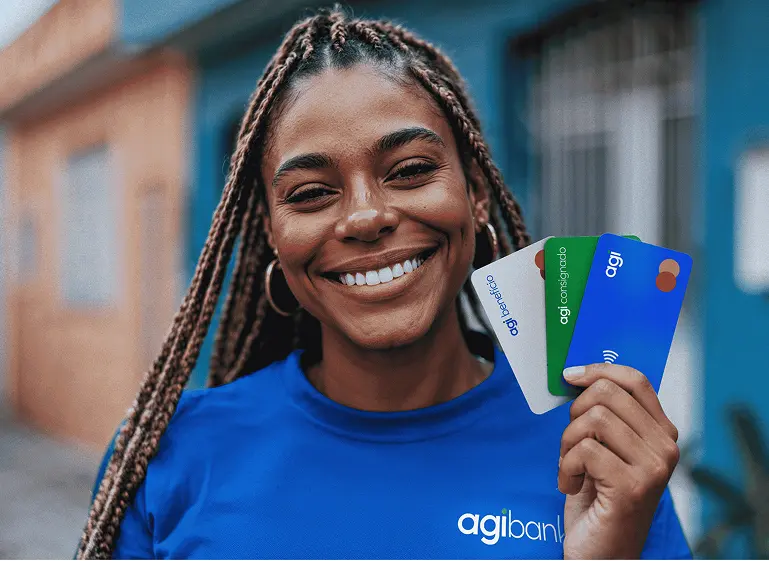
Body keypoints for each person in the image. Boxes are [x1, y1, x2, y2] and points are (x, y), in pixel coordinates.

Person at [77, 9, 692, 560]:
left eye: (412, 170)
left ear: (475, 193)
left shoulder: (595, 455)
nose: (365, 216)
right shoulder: (171, 456)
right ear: (272, 233)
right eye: (312, 193)